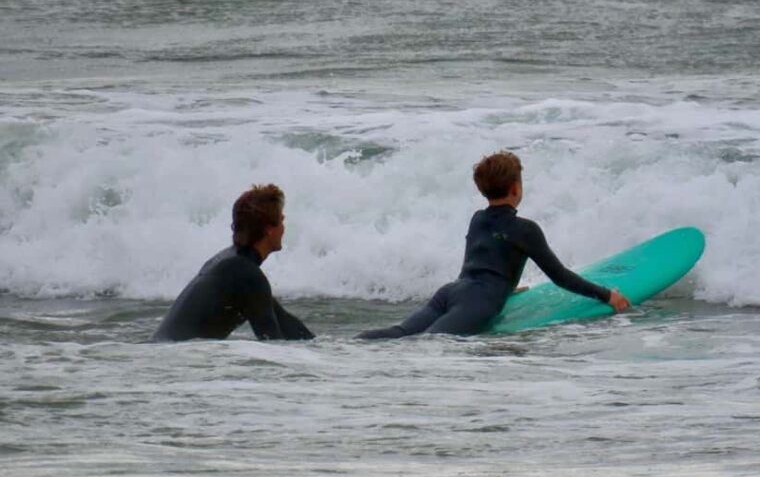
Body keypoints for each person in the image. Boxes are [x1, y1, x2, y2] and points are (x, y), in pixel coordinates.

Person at [357, 151, 630, 339]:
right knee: (429, 344)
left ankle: (327, 346)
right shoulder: (526, 229)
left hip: (451, 293)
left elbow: (484, 261)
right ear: (516, 188)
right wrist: (607, 296)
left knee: (402, 334)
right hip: (478, 302)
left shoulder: (478, 219)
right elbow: (560, 277)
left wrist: (507, 287)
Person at [153, 184, 314, 342]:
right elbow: (273, 345)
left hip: (161, 355)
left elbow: (283, 320)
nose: (284, 228)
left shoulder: (232, 265)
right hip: (173, 359)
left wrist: (320, 350)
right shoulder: (246, 275)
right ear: (269, 229)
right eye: (281, 220)